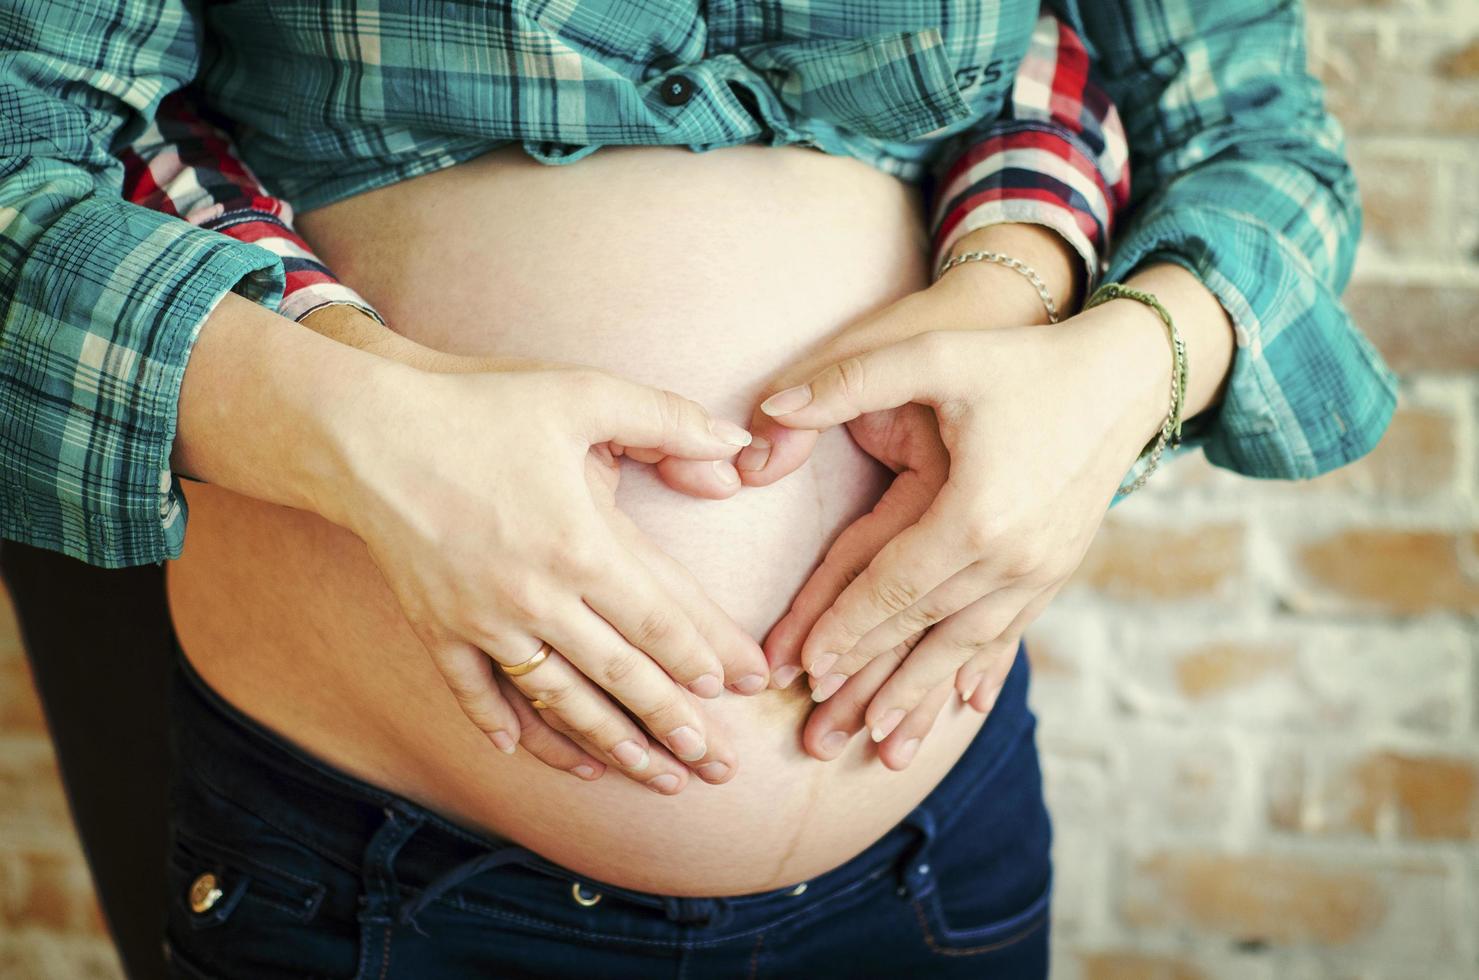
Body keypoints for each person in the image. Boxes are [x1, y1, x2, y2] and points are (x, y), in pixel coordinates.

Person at [0, 2, 1395, 977]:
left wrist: (1122, 372)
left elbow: (1262, 141)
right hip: (378, 873)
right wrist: (360, 419)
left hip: (934, 848)